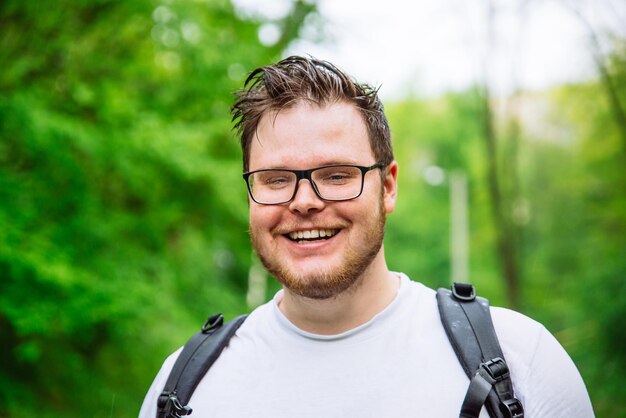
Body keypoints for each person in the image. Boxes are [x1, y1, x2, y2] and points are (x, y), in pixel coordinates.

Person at [139, 56, 594, 417]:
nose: (304, 202)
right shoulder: (182, 386)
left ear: (388, 186)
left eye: (336, 175)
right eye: (275, 179)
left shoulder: (522, 365)